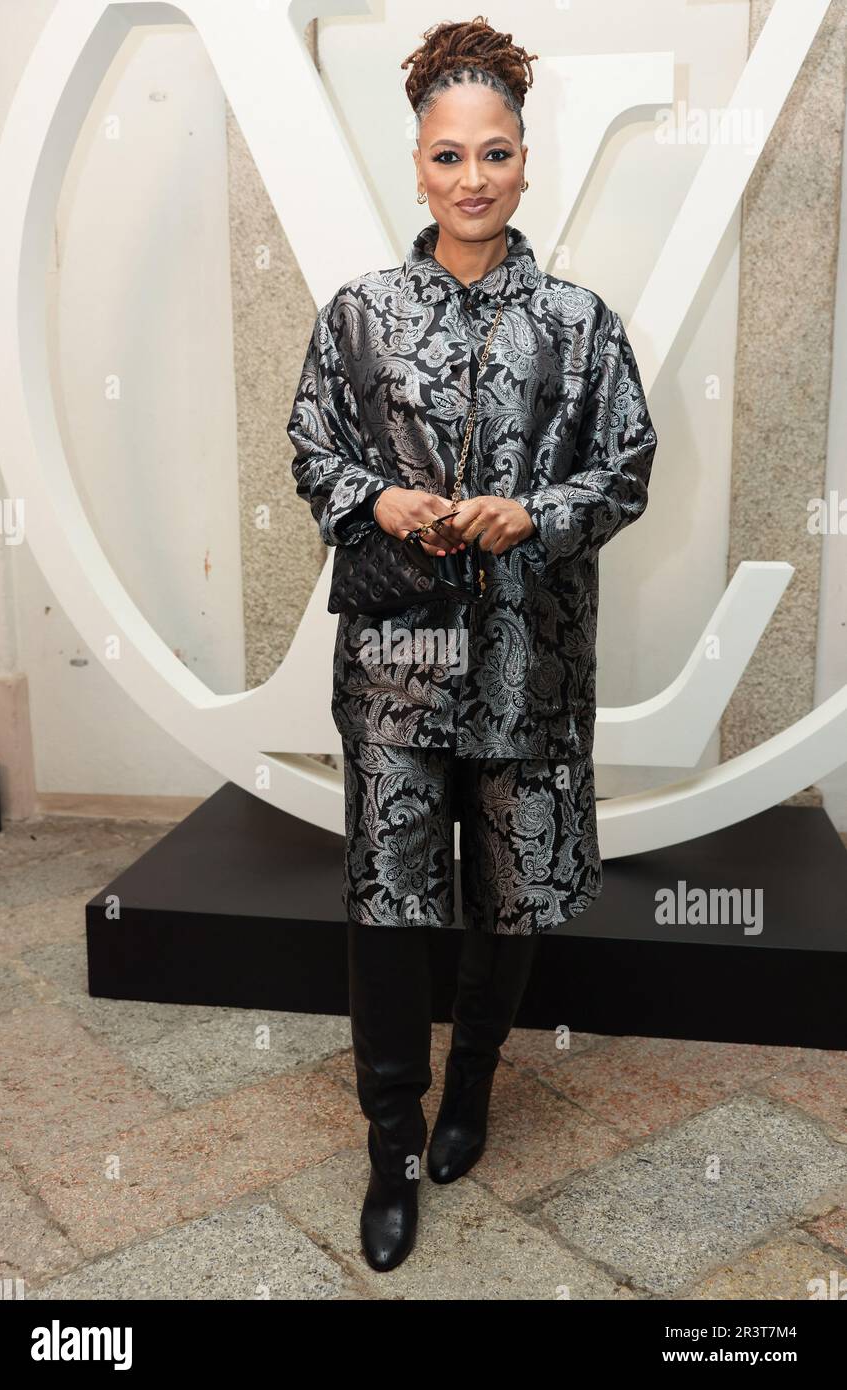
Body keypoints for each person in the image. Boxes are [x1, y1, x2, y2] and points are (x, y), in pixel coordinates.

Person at [287, 15, 658, 1274]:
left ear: (522, 158)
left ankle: (473, 1089)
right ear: (416, 164)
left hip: (526, 660)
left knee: (508, 895)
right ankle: (391, 1146)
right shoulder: (359, 316)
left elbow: (625, 470)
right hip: (395, 665)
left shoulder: (581, 321)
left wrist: (535, 512)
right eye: (448, 156)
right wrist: (382, 501)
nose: (472, 178)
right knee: (389, 901)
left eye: (493, 152)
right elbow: (310, 449)